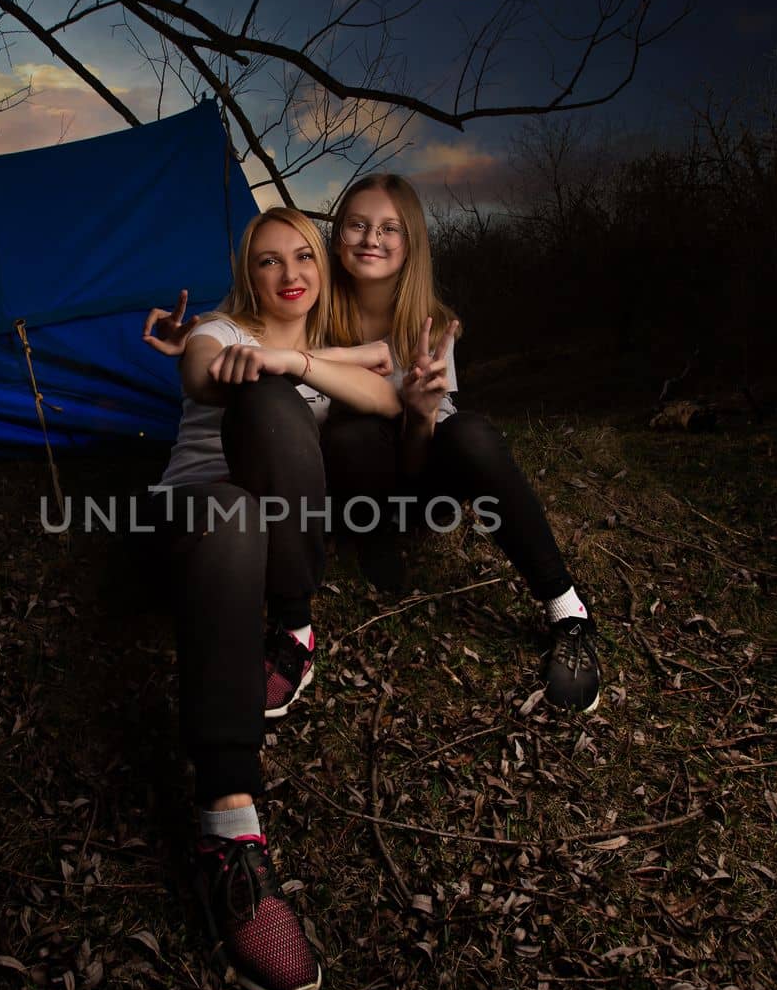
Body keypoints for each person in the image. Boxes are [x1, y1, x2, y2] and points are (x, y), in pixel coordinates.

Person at [146, 175, 602, 712]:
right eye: (356, 226)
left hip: (415, 473)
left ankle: (566, 608)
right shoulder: (311, 302)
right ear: (335, 238)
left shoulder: (430, 327)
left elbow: (406, 433)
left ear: (411, 242)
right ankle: (323, 593)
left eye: (390, 228)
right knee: (346, 432)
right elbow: (242, 327)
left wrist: (423, 414)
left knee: (470, 434)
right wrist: (195, 347)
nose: (370, 239)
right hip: (332, 480)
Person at [143, 206, 399, 990]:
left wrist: (297, 359)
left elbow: (386, 396)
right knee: (240, 477)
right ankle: (230, 834)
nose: (287, 272)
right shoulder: (218, 327)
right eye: (266, 261)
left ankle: (293, 624)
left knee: (278, 404)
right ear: (244, 275)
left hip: (278, 535)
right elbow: (199, 366)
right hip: (199, 523)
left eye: (303, 257)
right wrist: (229, 358)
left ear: (322, 270)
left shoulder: (319, 343)